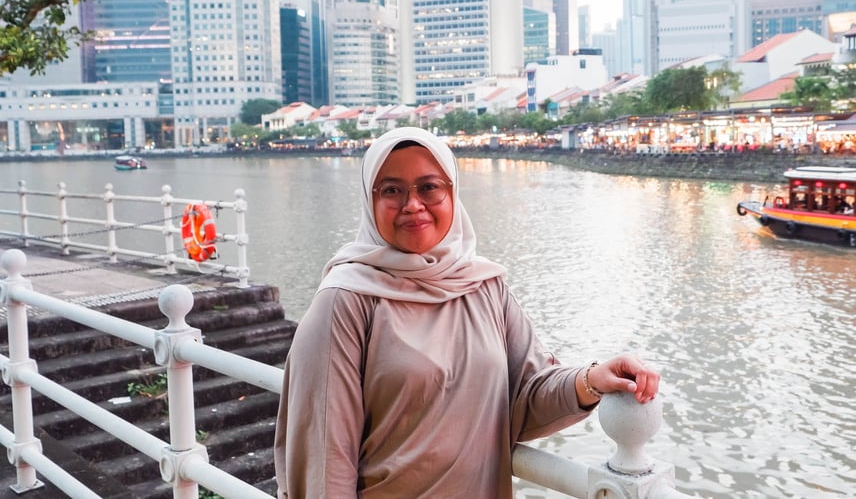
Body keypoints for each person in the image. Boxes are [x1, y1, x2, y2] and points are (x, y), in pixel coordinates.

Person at [274, 127, 660, 498]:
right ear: (369, 200)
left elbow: (527, 393)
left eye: (429, 187)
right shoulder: (346, 300)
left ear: (452, 193)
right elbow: (324, 456)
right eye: (391, 190)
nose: (412, 204)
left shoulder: (484, 287)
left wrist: (593, 379)